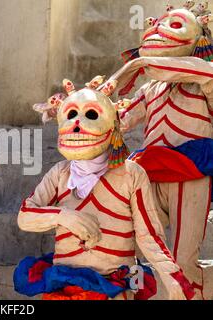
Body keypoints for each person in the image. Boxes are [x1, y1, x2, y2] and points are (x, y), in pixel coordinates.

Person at [14, 77, 194, 300]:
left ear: (113, 125)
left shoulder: (131, 174)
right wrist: (64, 216)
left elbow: (149, 235)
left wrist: (171, 277)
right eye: (71, 114)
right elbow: (25, 216)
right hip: (64, 286)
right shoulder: (61, 172)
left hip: (112, 286)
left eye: (90, 114)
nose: (77, 124)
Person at [109, 2, 213, 299]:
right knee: (144, 251)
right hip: (150, 174)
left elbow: (195, 71)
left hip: (191, 173)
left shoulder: (204, 78)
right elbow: (121, 120)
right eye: (155, 25)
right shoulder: (149, 89)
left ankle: (203, 285)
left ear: (200, 37)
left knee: (182, 262)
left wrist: (134, 65)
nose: (157, 30)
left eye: (174, 25)